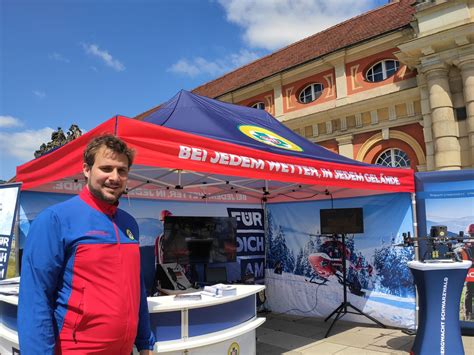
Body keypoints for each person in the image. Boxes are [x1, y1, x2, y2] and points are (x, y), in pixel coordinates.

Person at [18, 135, 155, 354]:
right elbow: (35, 299)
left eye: (122, 171)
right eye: (106, 168)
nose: (114, 177)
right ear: (86, 169)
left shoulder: (129, 224)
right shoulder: (55, 220)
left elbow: (136, 289)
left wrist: (145, 342)